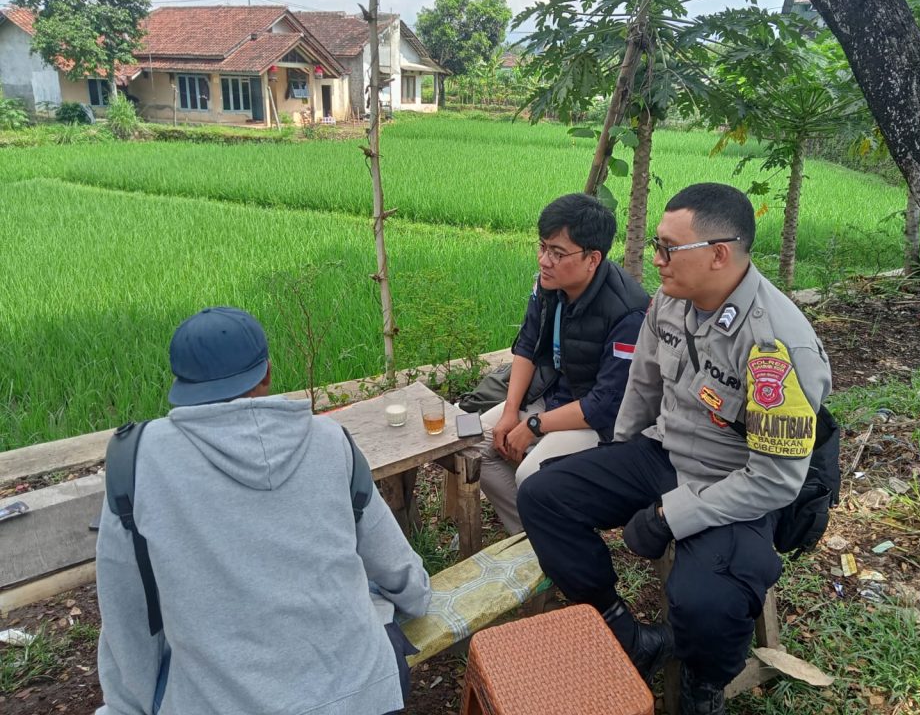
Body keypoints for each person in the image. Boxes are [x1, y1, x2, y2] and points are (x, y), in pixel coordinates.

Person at [518, 183, 832, 714]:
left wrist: (668, 515)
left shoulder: (777, 344)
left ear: (718, 254)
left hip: (738, 483)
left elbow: (775, 480)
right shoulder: (670, 299)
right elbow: (642, 384)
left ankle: (703, 684)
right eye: (655, 246)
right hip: (664, 452)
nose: (654, 260)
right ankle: (626, 633)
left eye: (667, 248)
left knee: (706, 602)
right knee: (546, 494)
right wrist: (613, 461)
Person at [95, 306, 430, 715]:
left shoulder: (137, 462)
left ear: (180, 385)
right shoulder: (330, 442)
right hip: (363, 695)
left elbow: (128, 618)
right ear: (267, 372)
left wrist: (129, 705)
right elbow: (393, 563)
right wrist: (417, 598)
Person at [478, 193, 649, 534]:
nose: (544, 260)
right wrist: (512, 410)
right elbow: (526, 346)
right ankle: (533, 542)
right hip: (555, 397)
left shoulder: (627, 311)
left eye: (557, 253)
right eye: (542, 247)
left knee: (533, 475)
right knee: (476, 444)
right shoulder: (548, 286)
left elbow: (606, 404)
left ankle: (551, 541)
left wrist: (533, 426)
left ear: (592, 259)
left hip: (600, 423)